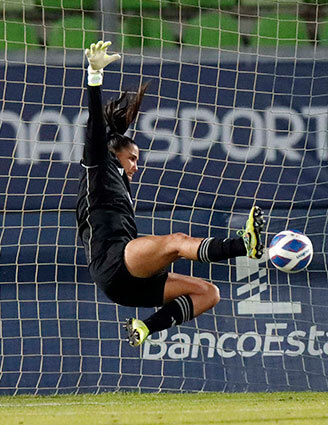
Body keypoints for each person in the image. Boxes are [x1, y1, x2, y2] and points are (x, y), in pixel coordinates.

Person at [75, 41, 265, 348]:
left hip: (127, 286)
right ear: (114, 153)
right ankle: (245, 245)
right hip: (112, 262)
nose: (136, 165)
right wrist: (94, 77)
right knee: (176, 242)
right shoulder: (98, 165)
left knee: (209, 293)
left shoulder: (121, 184)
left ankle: (144, 328)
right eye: (133, 158)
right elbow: (96, 126)